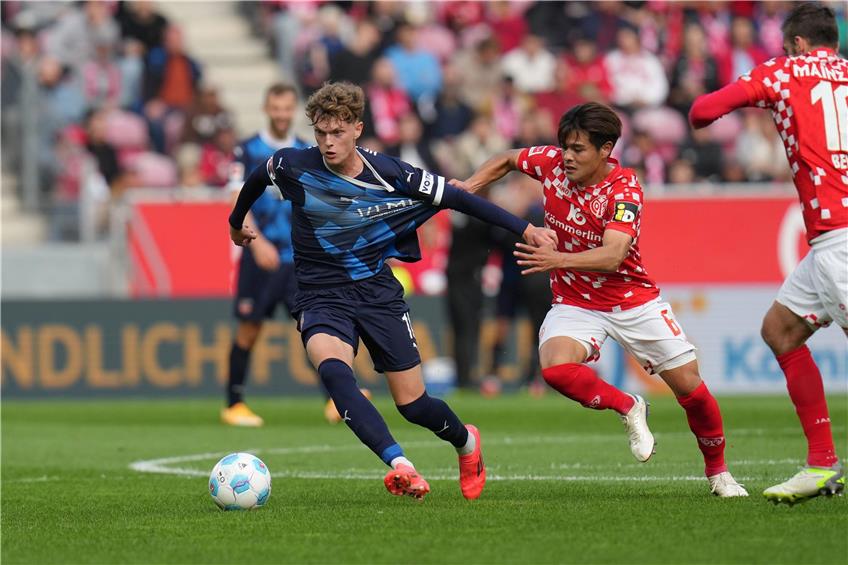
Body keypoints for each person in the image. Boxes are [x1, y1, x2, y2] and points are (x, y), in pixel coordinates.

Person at [227, 81, 556, 500]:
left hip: (376, 292)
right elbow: (257, 177)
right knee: (333, 372)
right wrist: (236, 222)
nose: (328, 143)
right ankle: (402, 465)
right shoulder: (293, 165)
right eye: (321, 133)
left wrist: (526, 228)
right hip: (319, 293)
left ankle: (467, 442)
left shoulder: (392, 174)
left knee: (413, 404)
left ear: (358, 128)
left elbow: (460, 200)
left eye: (338, 133)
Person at [450, 102, 748, 497]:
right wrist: (469, 186)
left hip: (631, 300)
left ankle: (719, 474)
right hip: (576, 302)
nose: (567, 157)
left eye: (578, 149)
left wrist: (556, 259)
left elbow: (613, 255)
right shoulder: (551, 163)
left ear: (606, 149)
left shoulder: (625, 190)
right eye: (565, 147)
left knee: (692, 391)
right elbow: (507, 159)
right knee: (554, 368)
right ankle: (628, 405)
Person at [689, 1, 846, 504]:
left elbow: (702, 112)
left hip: (840, 236)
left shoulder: (784, 70)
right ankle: (822, 463)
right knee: (779, 330)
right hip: (828, 241)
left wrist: (759, 88)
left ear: (798, 44)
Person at [220, 83, 310, 428]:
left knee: (315, 326)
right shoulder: (246, 150)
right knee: (249, 328)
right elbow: (235, 200)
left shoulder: (306, 150)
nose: (282, 114)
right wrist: (257, 244)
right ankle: (234, 403)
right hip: (259, 254)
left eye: (288, 108)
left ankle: (336, 400)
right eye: (276, 108)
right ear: (266, 108)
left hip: (299, 258)